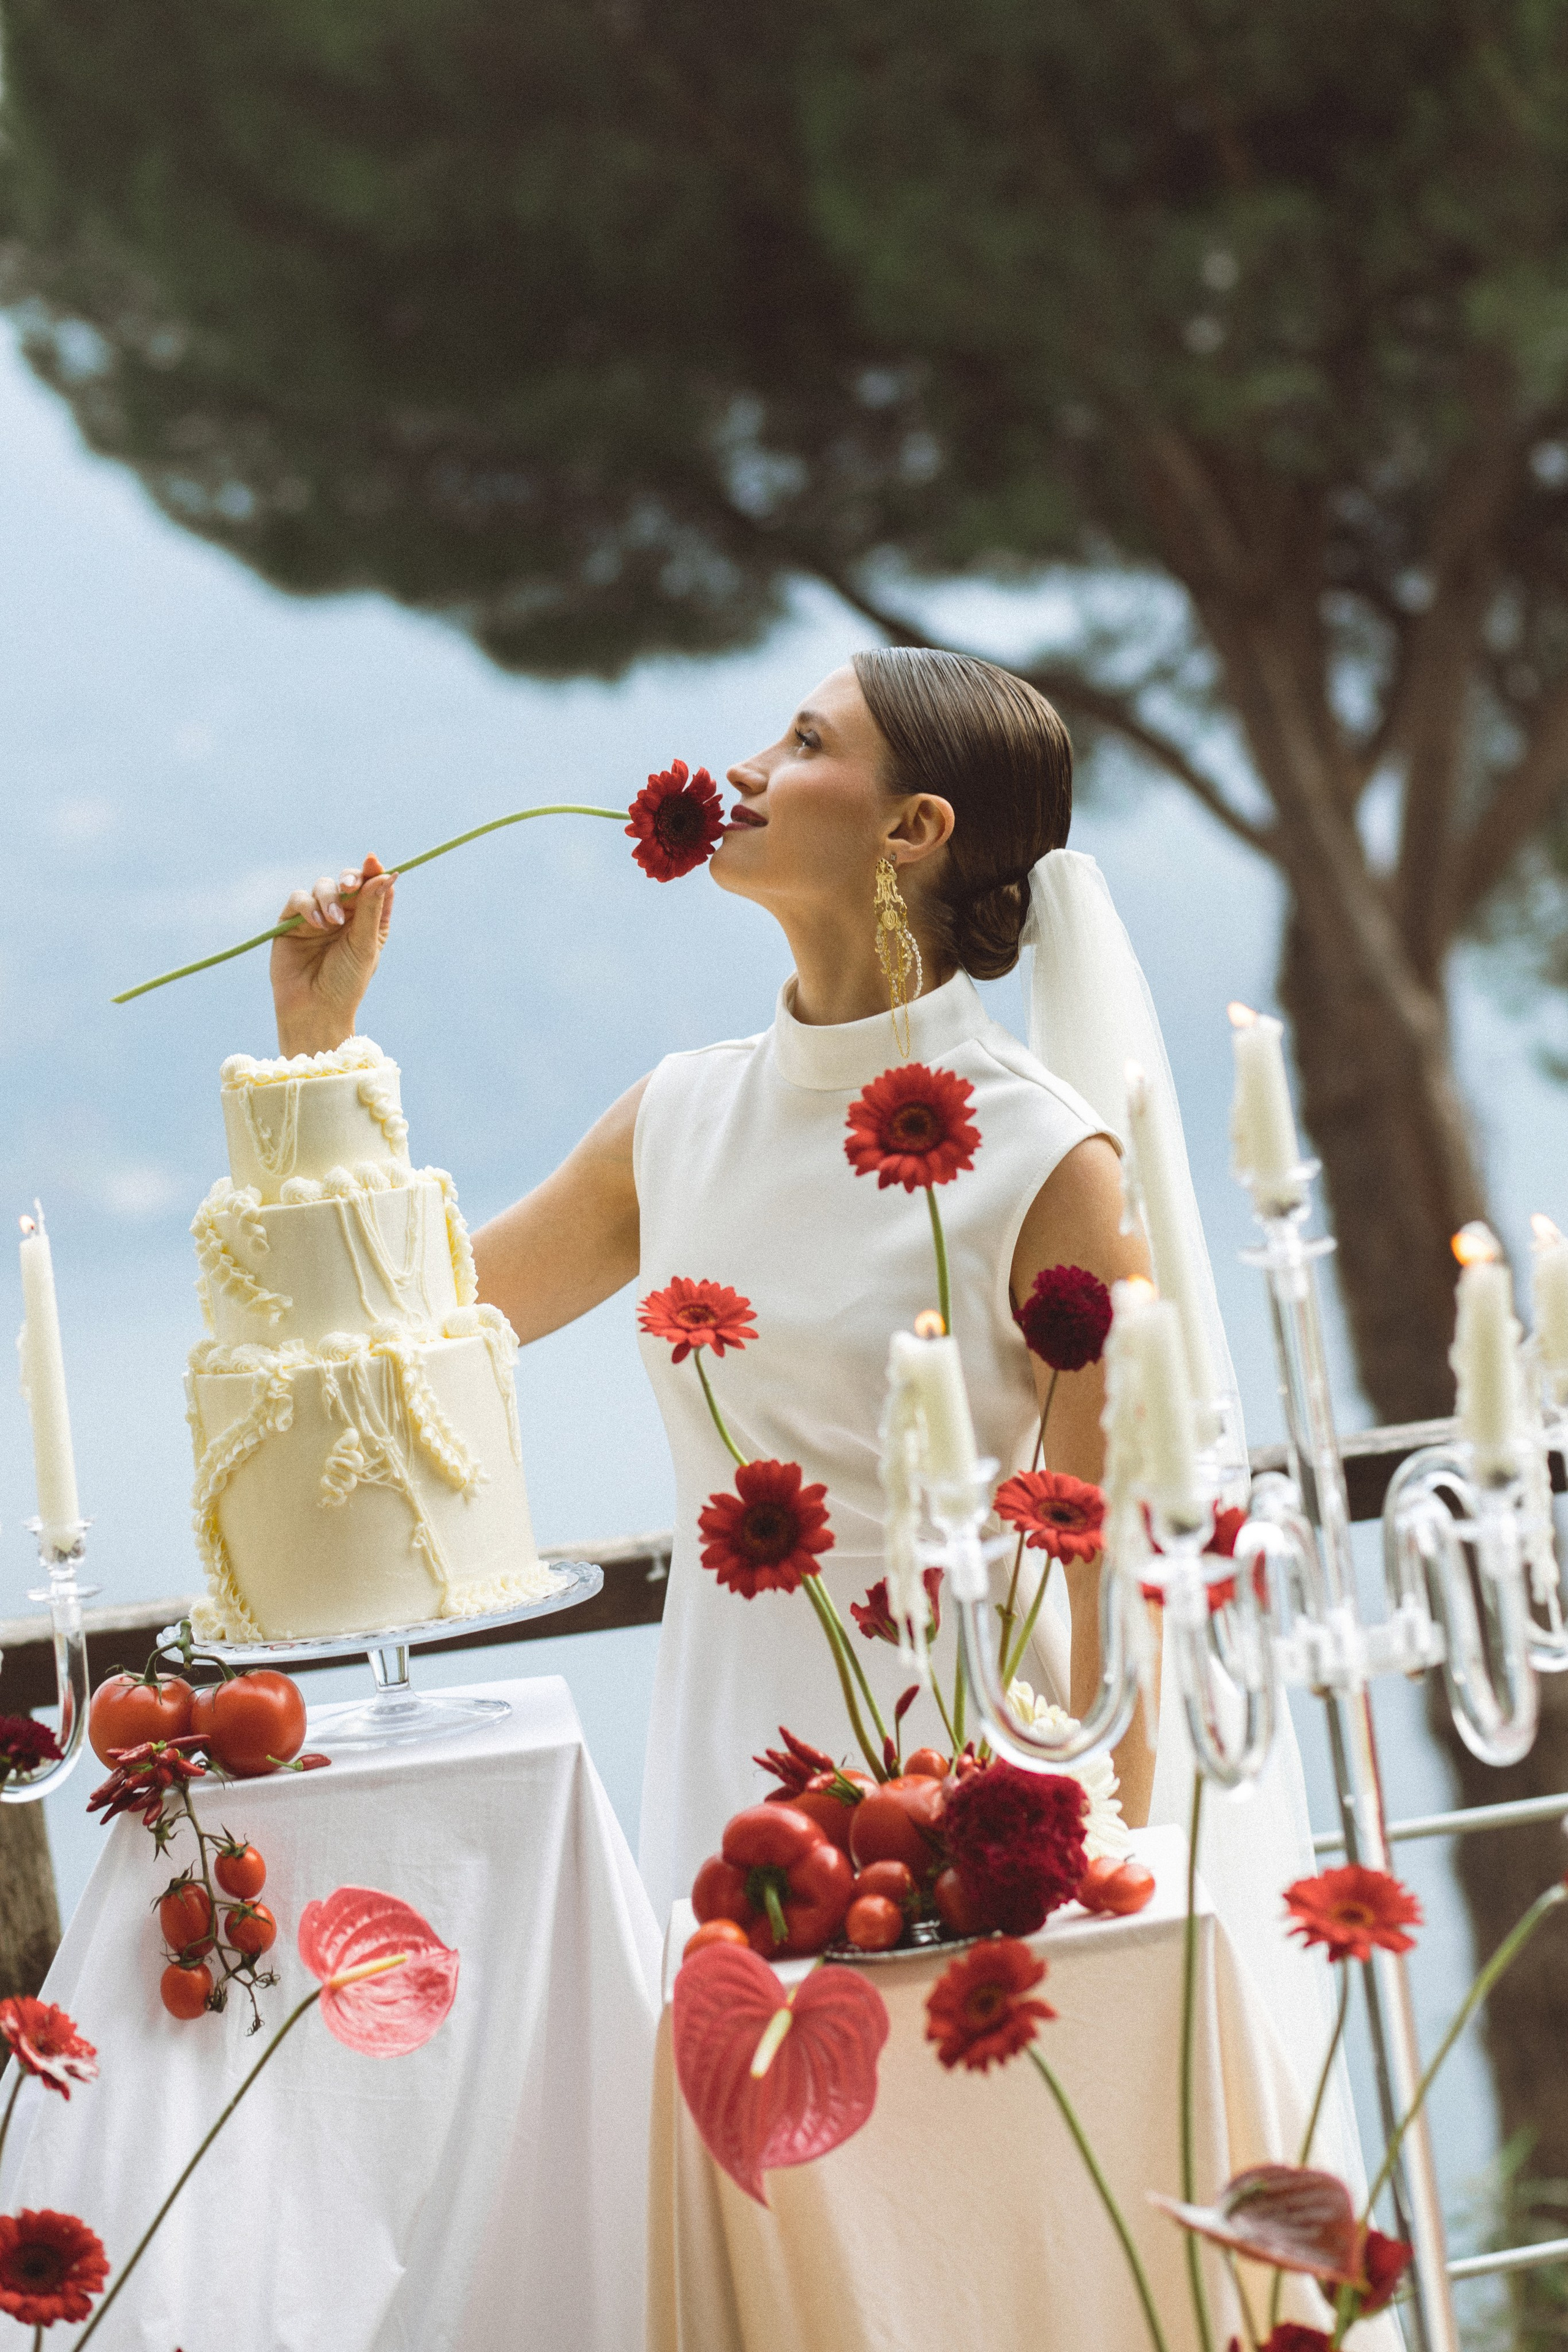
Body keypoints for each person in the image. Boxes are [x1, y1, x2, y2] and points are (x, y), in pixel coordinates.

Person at [268, 649, 1349, 2162]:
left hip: (971, 1797)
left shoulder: (1049, 1159)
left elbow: (1115, 1551)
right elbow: (420, 1326)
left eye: (800, 741)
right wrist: (321, 1055)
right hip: (723, 1778)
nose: (748, 770)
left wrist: (1116, 1856)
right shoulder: (676, 1116)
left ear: (911, 828)